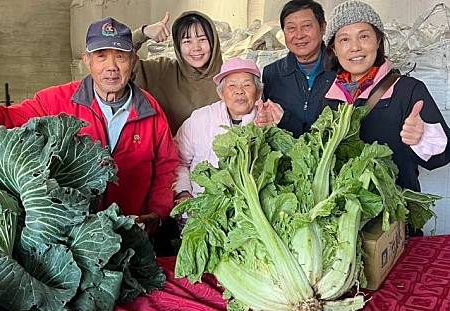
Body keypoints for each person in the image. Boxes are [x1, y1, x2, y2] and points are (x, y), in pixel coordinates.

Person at [0, 17, 178, 237]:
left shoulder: (150, 110)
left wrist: (156, 215)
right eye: (101, 56)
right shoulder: (56, 101)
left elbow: (166, 166)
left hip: (133, 235)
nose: (111, 66)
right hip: (70, 237)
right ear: (87, 61)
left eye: (120, 56)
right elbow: (9, 123)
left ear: (134, 60)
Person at [322, 0, 449, 194]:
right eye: (344, 39)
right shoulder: (329, 96)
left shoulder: (408, 90)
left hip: (394, 215)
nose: (355, 47)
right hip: (340, 218)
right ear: (334, 49)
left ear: (378, 41)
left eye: (364, 36)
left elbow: (443, 156)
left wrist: (423, 137)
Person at [174, 58, 268, 202]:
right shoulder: (200, 119)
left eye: (247, 85)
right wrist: (184, 193)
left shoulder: (267, 122)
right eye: (232, 86)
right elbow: (178, 161)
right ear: (221, 94)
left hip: (248, 212)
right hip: (200, 207)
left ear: (258, 93)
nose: (239, 92)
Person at [131, 11, 223, 135]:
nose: (196, 47)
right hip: (170, 153)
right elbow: (118, 60)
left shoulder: (228, 76)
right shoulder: (162, 71)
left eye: (202, 39)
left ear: (213, 42)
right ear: (178, 47)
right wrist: (142, 33)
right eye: (187, 41)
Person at [262, 0, 336, 136]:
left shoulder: (342, 71)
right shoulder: (271, 74)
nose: (299, 35)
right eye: (291, 28)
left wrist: (286, 121)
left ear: (323, 27)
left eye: (306, 26)